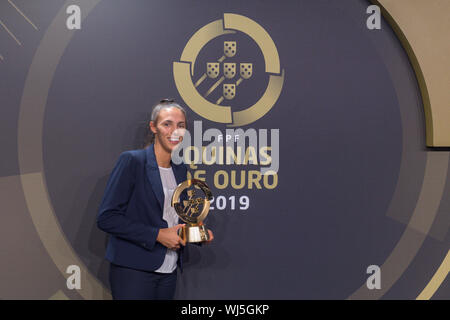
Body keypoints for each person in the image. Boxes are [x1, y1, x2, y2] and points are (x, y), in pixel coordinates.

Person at [97, 99, 214, 300]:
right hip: (134, 270)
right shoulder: (133, 161)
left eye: (181, 125)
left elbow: (174, 220)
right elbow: (107, 218)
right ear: (153, 127)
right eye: (167, 124)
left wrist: (195, 234)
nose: (174, 131)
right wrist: (157, 235)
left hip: (169, 271)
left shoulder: (180, 169)